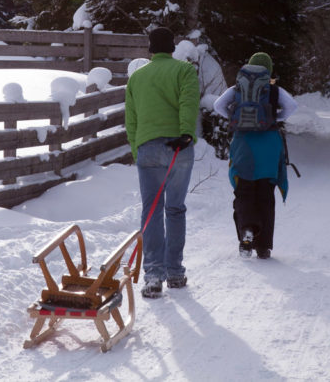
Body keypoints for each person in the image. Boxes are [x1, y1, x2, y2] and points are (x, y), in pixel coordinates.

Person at [124, 26, 200, 299]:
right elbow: (188, 104)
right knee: (175, 209)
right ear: (173, 48)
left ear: (150, 49)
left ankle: (153, 275)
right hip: (178, 149)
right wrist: (185, 134)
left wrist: (137, 150)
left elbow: (130, 120)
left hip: (148, 147)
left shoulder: (137, 78)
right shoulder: (184, 71)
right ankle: (175, 273)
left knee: (151, 210)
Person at [213, 52, 298, 259]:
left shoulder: (237, 88)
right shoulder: (275, 90)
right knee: (265, 195)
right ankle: (263, 247)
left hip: (244, 144)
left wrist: (235, 117)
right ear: (268, 70)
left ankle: (247, 232)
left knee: (244, 191)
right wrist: (273, 118)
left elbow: (218, 106)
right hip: (269, 144)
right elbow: (292, 107)